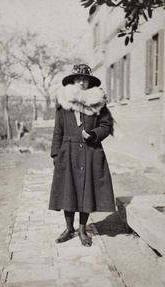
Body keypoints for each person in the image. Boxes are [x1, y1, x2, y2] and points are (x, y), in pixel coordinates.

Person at [49, 64, 115, 247]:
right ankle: (69, 228)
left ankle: (82, 229)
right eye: (78, 79)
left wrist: (94, 134)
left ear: (89, 82)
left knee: (87, 190)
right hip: (67, 152)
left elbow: (106, 126)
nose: (81, 82)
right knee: (68, 190)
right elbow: (58, 131)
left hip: (90, 152)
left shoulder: (98, 103)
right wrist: (56, 154)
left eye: (85, 79)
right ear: (72, 81)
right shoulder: (63, 104)